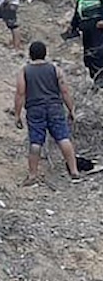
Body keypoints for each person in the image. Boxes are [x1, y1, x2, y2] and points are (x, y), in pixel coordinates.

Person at [15, 41, 82, 186]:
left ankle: (32, 175)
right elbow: (65, 91)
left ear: (30, 54)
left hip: (34, 109)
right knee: (63, 138)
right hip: (55, 107)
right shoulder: (55, 69)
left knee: (35, 142)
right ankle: (74, 172)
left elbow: (20, 93)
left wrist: (17, 114)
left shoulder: (24, 70)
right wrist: (71, 109)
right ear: (45, 53)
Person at [61, 0, 103, 82]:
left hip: (98, 26)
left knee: (98, 53)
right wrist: (73, 25)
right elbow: (78, 9)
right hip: (86, 27)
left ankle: (101, 79)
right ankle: (95, 78)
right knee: (88, 55)